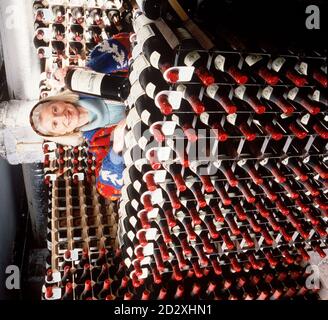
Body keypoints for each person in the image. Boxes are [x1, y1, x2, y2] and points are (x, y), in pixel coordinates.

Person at [29, 90, 127, 200]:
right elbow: (108, 192)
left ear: (58, 100)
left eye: (55, 109)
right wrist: (116, 150)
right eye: (55, 124)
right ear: (61, 134)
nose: (62, 117)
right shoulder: (97, 142)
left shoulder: (89, 86)